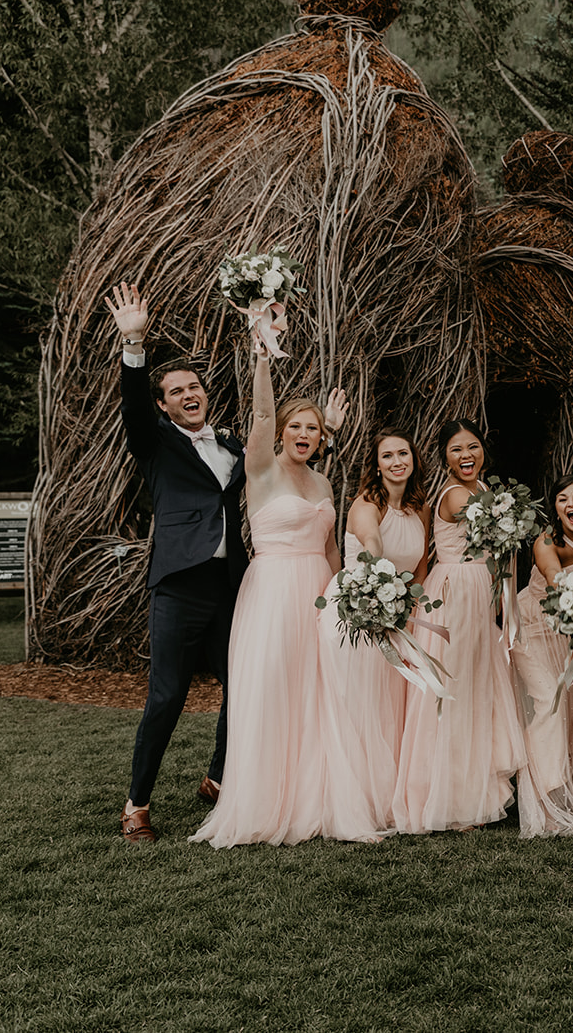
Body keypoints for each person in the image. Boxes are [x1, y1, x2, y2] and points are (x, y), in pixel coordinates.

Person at [191, 333, 378, 847]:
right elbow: (262, 418)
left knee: (318, 694)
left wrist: (347, 596)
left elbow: (332, 547)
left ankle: (311, 796)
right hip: (273, 593)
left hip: (319, 590)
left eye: (312, 428)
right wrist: (262, 361)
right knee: (274, 691)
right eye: (296, 425)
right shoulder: (262, 468)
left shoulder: (322, 483)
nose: (302, 432)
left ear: (323, 438)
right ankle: (265, 799)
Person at [109, 283, 247, 844]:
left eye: (195, 387)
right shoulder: (156, 441)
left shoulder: (232, 446)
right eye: (177, 391)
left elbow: (277, 465)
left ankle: (217, 777)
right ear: (164, 404)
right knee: (167, 695)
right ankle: (137, 804)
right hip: (179, 587)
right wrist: (134, 345)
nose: (189, 394)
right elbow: (134, 410)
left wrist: (325, 434)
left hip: (230, 585)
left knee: (244, 687)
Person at [392, 420, 527, 834]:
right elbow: (494, 527)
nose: (466, 455)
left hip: (478, 592)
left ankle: (473, 792)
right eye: (456, 450)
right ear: (444, 458)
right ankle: (448, 799)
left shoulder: (484, 490)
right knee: (456, 692)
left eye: (472, 447)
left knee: (475, 689)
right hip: (456, 594)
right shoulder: (454, 496)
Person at [316, 428, 430, 833]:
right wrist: (379, 579)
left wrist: (408, 614)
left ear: (413, 459)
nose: (397, 461)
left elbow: (419, 570)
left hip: (395, 616)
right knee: (358, 708)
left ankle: (388, 799)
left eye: (404, 453)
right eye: (388, 456)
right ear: (377, 465)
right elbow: (371, 543)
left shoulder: (420, 508)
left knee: (387, 711)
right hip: (356, 614)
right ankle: (353, 805)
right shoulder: (367, 504)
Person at [511, 473, 573, 837]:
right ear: (555, 508)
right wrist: (570, 590)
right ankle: (544, 798)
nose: (570, 505)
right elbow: (552, 575)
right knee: (549, 702)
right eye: (562, 499)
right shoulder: (548, 540)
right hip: (534, 629)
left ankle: (570, 794)